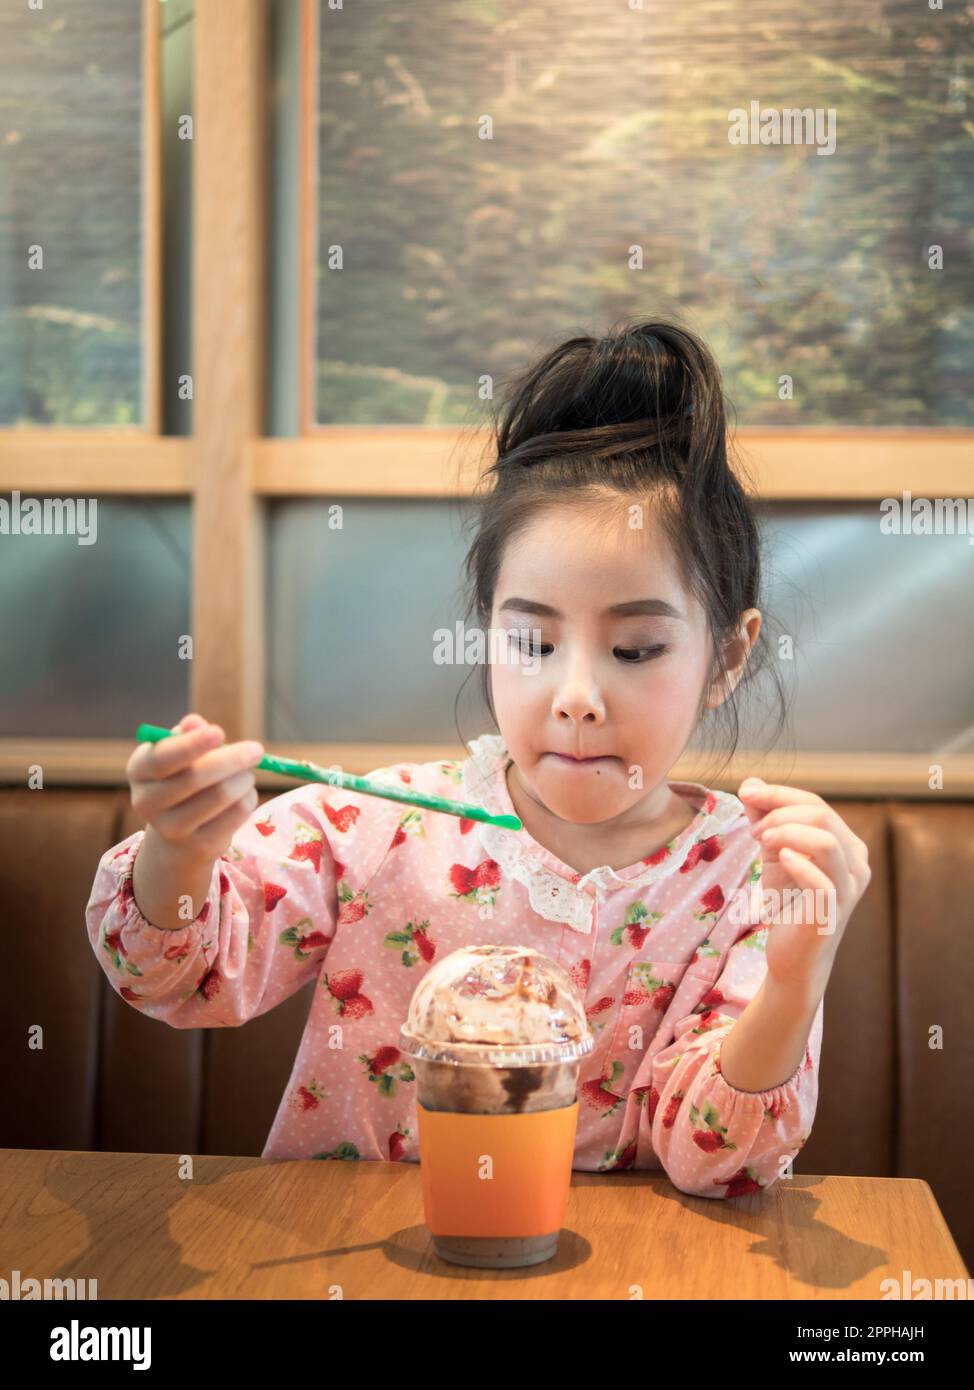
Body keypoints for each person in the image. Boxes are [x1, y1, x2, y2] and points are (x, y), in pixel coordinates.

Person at [85, 318, 871, 1193]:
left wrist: (797, 982)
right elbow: (178, 975)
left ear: (726, 656)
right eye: (532, 642)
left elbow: (713, 1160)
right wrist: (181, 849)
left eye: (637, 649)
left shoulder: (748, 877)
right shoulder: (373, 825)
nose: (575, 693)